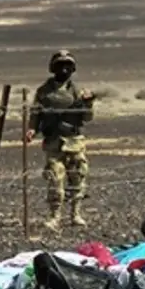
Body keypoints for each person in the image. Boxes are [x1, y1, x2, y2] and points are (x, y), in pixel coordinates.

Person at [25, 50, 96, 231]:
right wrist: (32, 128)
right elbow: (36, 113)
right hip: (54, 141)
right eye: (60, 65)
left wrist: (88, 104)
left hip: (74, 141)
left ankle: (75, 214)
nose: (64, 69)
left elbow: (87, 118)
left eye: (67, 66)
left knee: (77, 177)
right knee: (55, 178)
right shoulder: (44, 92)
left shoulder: (78, 91)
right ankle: (55, 216)